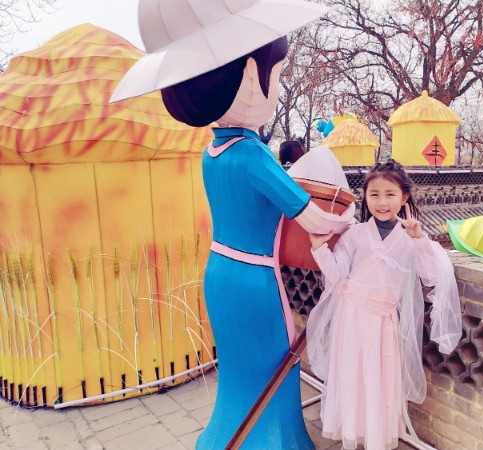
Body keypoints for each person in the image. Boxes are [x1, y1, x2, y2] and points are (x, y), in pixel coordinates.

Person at [110, 1, 353, 448]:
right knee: (275, 363)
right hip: (255, 279)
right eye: (277, 75)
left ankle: (227, 436)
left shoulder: (211, 154)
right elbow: (313, 217)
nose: (278, 86)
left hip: (218, 273)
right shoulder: (253, 154)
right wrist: (350, 221)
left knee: (239, 368)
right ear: (250, 75)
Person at [306, 160, 462, 450]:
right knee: (352, 375)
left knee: (379, 377)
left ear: (404, 197)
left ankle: (376, 436)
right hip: (351, 316)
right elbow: (336, 273)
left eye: (390, 194)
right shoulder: (354, 234)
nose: (381, 202)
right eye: (374, 194)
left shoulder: (411, 237)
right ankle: (352, 431)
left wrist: (419, 240)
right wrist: (319, 246)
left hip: (383, 320)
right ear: (365, 196)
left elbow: (430, 276)